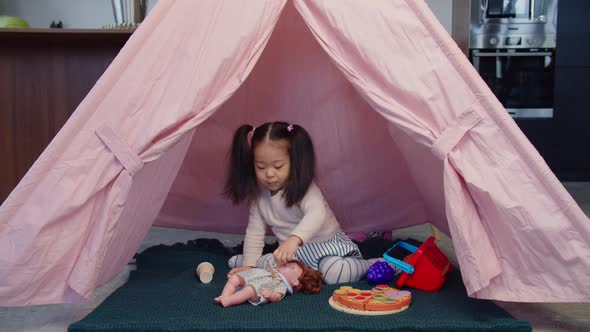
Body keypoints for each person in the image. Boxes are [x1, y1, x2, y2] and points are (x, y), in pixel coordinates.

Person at [224, 121, 389, 284]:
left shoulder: (305, 188)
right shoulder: (260, 200)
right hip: (293, 257)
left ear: (293, 162)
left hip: (327, 248)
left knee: (334, 273)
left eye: (278, 166)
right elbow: (255, 232)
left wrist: (294, 240)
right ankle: (248, 263)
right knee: (266, 265)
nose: (269, 174)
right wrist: (249, 265)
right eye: (260, 167)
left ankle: (373, 264)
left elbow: (317, 214)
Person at [214, 260, 322, 307]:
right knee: (234, 278)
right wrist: (245, 273)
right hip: (250, 279)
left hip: (257, 291)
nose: (286, 265)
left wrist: (271, 295)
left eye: (291, 267)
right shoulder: (273, 270)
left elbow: (278, 296)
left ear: (294, 281)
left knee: (249, 290)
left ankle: (229, 300)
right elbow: (256, 272)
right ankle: (224, 296)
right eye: (287, 264)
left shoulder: (282, 285)